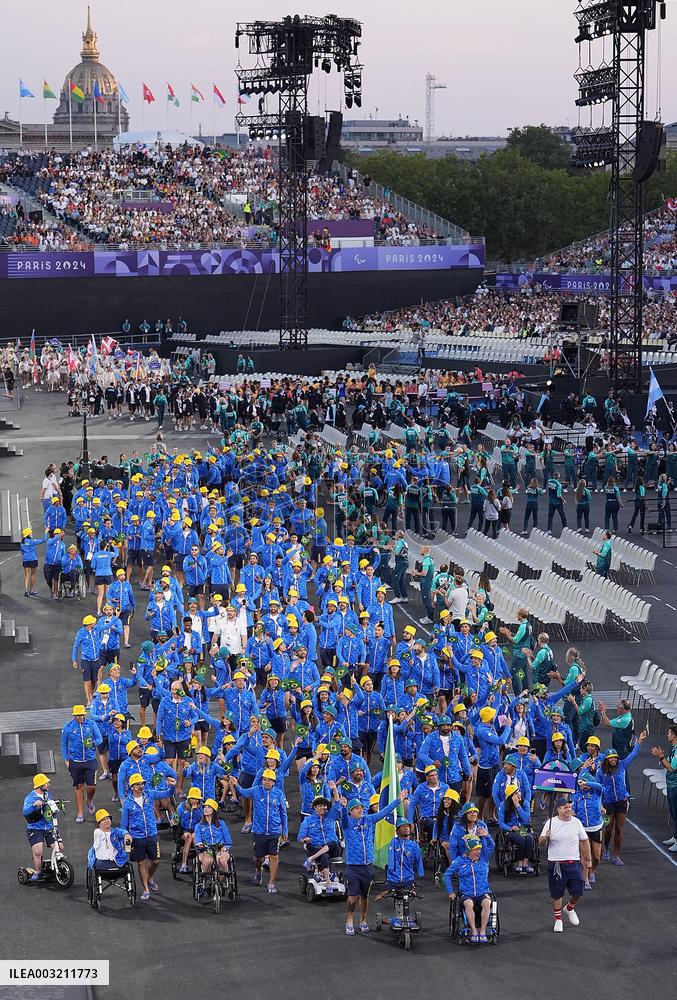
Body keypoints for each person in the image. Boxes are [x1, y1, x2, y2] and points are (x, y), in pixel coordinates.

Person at [341, 788, 406, 935]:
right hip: (353, 867)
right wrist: (343, 806)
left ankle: (363, 920)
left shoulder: (368, 820)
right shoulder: (347, 824)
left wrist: (398, 800)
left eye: (361, 808)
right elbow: (343, 818)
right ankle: (349, 920)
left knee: (364, 896)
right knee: (352, 896)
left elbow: (383, 812)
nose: (360, 810)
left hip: (367, 866)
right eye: (357, 808)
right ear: (351, 811)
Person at [539, 796, 591, 933]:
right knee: (557, 893)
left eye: (569, 807)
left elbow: (585, 842)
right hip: (556, 863)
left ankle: (569, 908)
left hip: (573, 863)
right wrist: (546, 837)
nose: (569, 809)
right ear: (558, 809)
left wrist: (588, 859)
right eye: (565, 807)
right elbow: (541, 842)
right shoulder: (551, 823)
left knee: (579, 890)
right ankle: (558, 919)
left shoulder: (577, 823)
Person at [233, 768, 288, 894]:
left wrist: (285, 830)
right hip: (259, 831)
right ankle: (258, 871)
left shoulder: (279, 794)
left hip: (274, 831)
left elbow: (283, 813)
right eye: (264, 779)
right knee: (258, 857)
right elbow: (244, 793)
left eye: (269, 780)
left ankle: (272, 882)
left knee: (274, 857)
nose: (266, 782)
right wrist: (236, 784)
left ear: (274, 782)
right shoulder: (256, 790)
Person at [599, 732, 647, 865]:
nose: (614, 760)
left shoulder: (622, 765)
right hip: (608, 803)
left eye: (615, 758)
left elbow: (633, 755)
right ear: (607, 759)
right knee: (608, 829)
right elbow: (597, 786)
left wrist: (639, 742)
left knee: (619, 829)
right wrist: (600, 803)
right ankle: (606, 848)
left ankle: (616, 855)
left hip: (622, 801)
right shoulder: (601, 772)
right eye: (611, 758)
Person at [121, 772, 171, 901]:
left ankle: (149, 877)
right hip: (137, 837)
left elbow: (167, 794)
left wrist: (171, 786)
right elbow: (124, 824)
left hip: (152, 834)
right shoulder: (127, 803)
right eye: (137, 784)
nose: (140, 786)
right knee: (141, 863)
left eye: (142, 784)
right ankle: (146, 889)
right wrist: (125, 836)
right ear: (131, 787)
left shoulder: (150, 794)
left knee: (155, 861)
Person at [443, 830, 495, 943]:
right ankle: (474, 931)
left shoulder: (484, 859)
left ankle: (482, 931)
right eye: (476, 849)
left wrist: (487, 835)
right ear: (469, 850)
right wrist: (450, 892)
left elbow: (492, 845)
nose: (479, 852)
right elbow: (446, 875)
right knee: (468, 903)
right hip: (467, 893)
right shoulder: (460, 861)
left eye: (480, 849)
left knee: (487, 903)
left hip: (482, 891)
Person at [60, 704, 102, 823]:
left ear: (84, 714)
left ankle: (89, 800)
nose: (79, 717)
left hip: (90, 760)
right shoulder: (68, 727)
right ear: (74, 715)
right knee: (79, 787)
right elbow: (63, 744)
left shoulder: (92, 724)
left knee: (92, 786)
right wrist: (66, 759)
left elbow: (100, 739)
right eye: (77, 715)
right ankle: (80, 812)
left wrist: (93, 743)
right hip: (75, 762)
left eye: (81, 715)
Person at [22, 773, 59, 881]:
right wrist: (34, 805)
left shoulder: (48, 795)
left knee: (59, 847)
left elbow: (52, 809)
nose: (48, 784)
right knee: (38, 852)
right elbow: (25, 811)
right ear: (40, 785)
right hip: (35, 828)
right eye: (46, 783)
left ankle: (54, 867)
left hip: (48, 827)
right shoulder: (30, 798)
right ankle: (37, 871)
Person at [650, 725, 677, 853]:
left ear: (674, 735)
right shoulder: (674, 749)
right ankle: (676, 837)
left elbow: (672, 768)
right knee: (673, 813)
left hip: (675, 786)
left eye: (669, 733)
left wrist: (661, 757)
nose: (667, 735)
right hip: (671, 784)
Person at [194, 798, 232, 877]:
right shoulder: (199, 826)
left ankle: (223, 879)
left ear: (213, 810)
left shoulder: (221, 824)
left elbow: (228, 841)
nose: (206, 809)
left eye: (209, 807)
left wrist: (225, 848)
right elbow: (197, 838)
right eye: (205, 807)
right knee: (207, 861)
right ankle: (205, 881)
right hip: (206, 850)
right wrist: (199, 844)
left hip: (219, 848)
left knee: (221, 860)